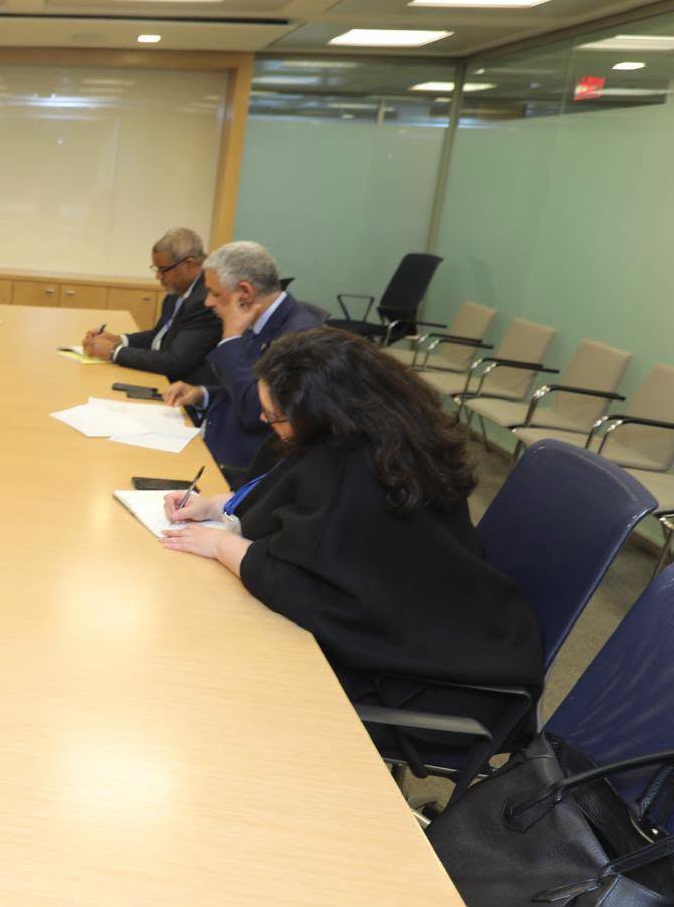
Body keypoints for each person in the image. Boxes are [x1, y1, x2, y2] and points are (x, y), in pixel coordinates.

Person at [157, 327, 544, 730]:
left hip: (436, 678)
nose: (264, 421)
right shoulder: (380, 435)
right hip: (462, 625)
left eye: (275, 416)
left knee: (226, 683)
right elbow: (284, 499)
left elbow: (292, 582)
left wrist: (220, 544)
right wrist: (215, 505)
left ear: (320, 414)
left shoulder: (359, 474)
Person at [159, 241, 324, 476]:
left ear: (245, 292)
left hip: (241, 469)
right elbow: (244, 386)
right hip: (212, 445)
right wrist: (202, 394)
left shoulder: (299, 336)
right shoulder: (259, 318)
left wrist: (231, 339)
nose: (208, 302)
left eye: (215, 293)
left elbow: (259, 411)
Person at [83, 226, 218, 382]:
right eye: (157, 269)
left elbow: (175, 362)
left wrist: (114, 351)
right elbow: (159, 336)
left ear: (189, 264)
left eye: (163, 269)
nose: (158, 276)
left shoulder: (205, 301)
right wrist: (119, 340)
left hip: (184, 388)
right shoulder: (176, 292)